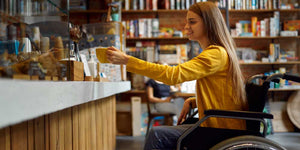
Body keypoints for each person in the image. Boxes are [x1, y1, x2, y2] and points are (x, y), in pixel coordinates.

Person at [106, 1, 247, 150]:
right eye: (187, 22)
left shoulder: (215, 54)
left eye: (192, 22)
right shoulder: (218, 52)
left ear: (209, 23)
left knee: (157, 134)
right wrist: (193, 100)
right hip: (217, 125)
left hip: (219, 130)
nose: (186, 27)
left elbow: (172, 75)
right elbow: (222, 95)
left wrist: (128, 61)